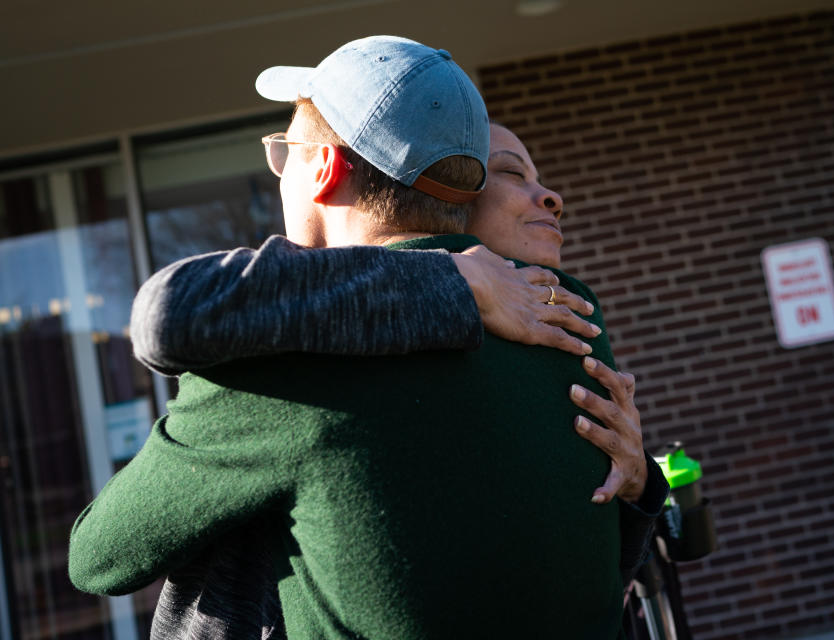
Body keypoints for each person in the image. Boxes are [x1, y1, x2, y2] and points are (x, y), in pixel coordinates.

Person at [69, 36, 665, 639]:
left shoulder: (280, 366)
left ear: (323, 168)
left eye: (285, 155)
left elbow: (97, 557)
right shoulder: (565, 318)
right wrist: (448, 278)